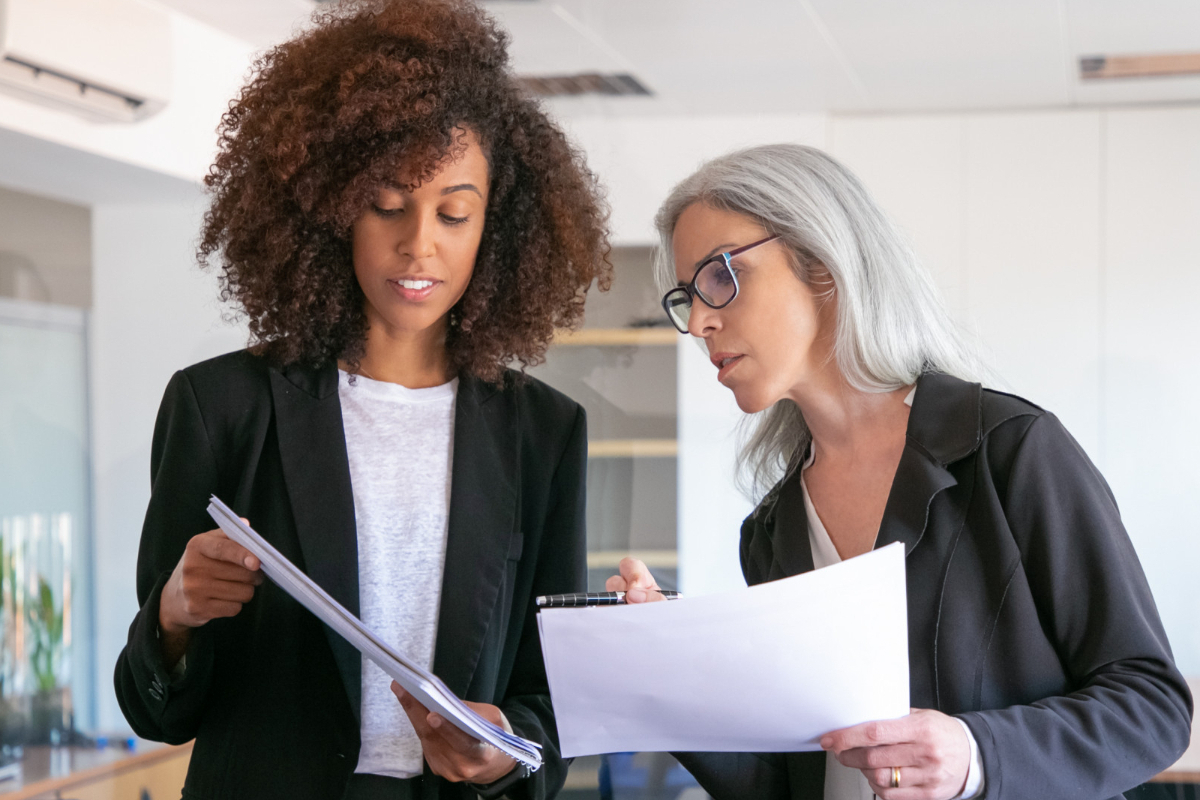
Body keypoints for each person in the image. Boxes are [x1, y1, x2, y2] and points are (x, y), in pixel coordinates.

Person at [112, 2, 610, 798]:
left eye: (454, 212)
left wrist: (510, 746)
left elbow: (552, 704)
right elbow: (154, 708)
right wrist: (173, 613)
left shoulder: (542, 433)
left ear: (497, 227)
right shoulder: (221, 407)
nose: (419, 244)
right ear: (330, 208)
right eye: (386, 204)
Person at [608, 143, 1192, 800]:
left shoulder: (1011, 451)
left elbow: (1153, 708)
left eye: (720, 277)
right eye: (688, 297)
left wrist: (976, 757)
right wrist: (662, 664)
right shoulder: (771, 533)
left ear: (821, 263)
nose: (700, 323)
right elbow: (790, 779)